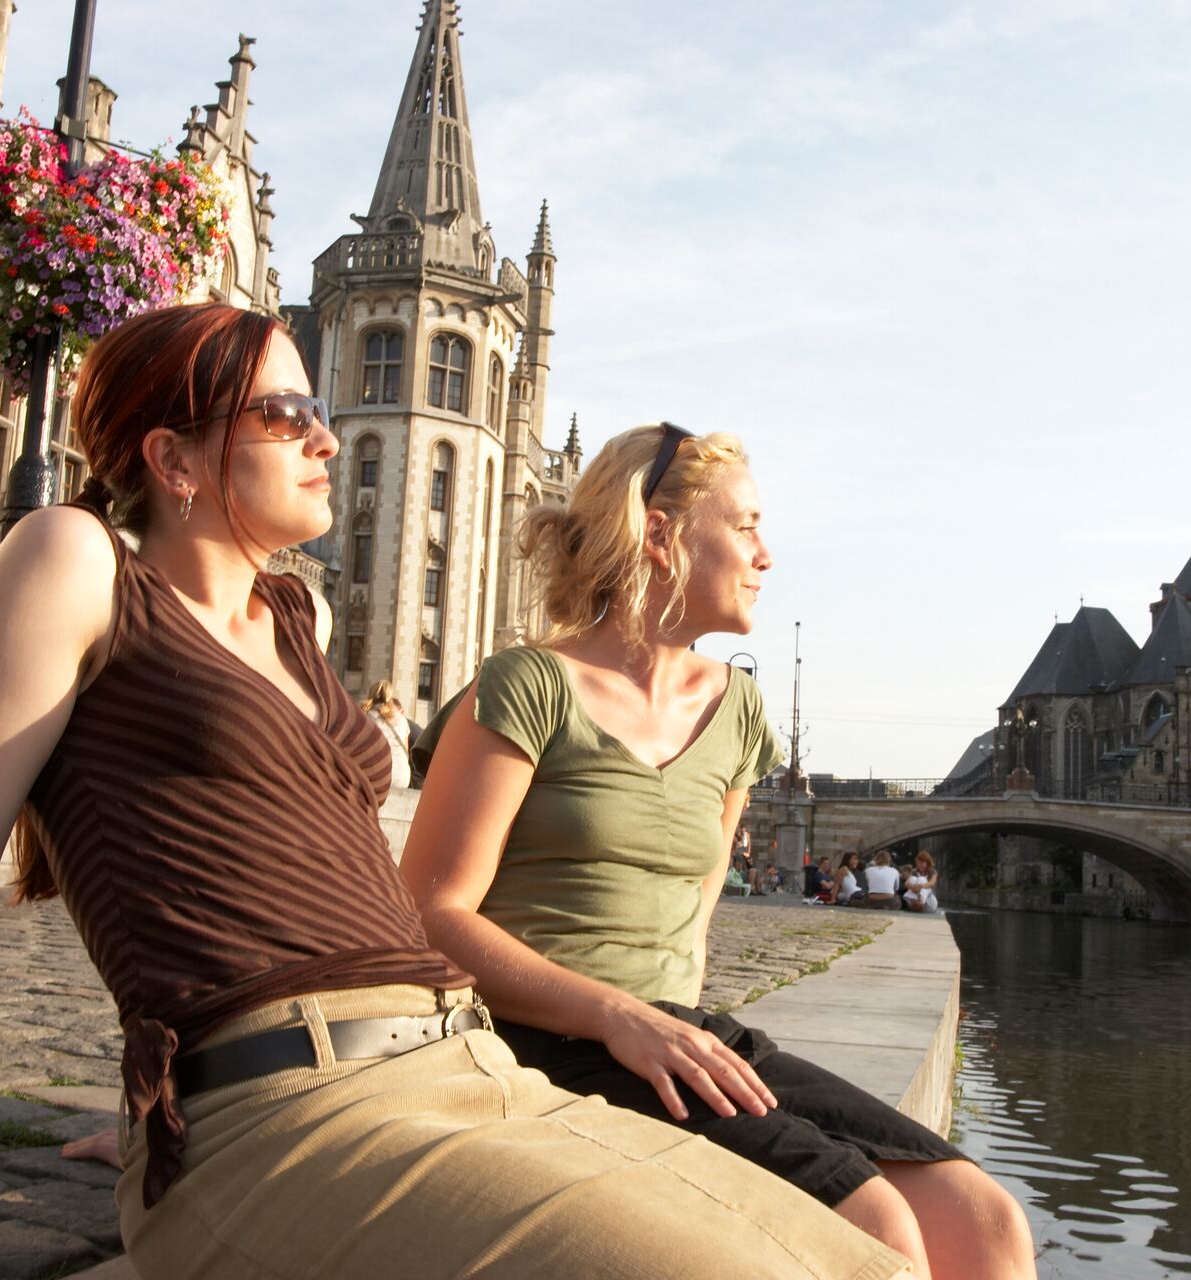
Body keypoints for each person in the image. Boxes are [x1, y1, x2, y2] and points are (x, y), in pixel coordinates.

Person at [0, 310, 912, 1280]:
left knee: (879, 1258)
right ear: (173, 457)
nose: (327, 434)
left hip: (465, 1064)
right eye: (285, 411)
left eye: (320, 407)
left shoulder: (295, 616)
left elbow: (310, 863)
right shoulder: (77, 561)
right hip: (292, 1105)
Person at [405, 424, 1034, 1280]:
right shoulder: (529, 685)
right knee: (874, 1226)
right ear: (658, 536)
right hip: (545, 1036)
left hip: (673, 1038)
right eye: (744, 526)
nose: (766, 554)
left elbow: (694, 921)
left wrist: (670, 1030)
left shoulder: (739, 711)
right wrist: (616, 1016)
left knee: (986, 1222)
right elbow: (428, 917)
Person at [359, 678, 412, 793]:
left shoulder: (366, 716)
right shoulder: (402, 719)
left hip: (377, 775)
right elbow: (406, 750)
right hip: (402, 777)